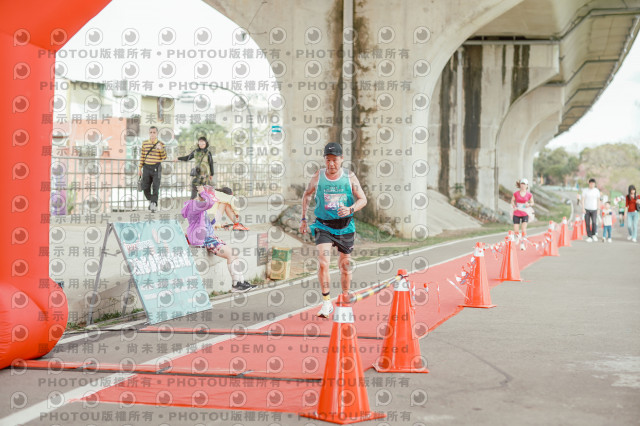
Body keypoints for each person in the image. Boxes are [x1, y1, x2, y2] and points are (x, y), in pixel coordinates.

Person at [299, 142, 367, 318]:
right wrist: (303, 219)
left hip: (345, 226)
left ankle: (344, 297)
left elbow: (363, 199)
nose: (331, 164)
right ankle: (326, 303)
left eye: (334, 160)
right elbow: (306, 195)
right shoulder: (318, 176)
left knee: (345, 266)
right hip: (323, 226)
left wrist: (350, 209)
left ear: (341, 159)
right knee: (323, 262)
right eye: (327, 160)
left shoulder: (350, 177)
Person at [181, 185, 256, 292]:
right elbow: (209, 204)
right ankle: (236, 285)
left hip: (210, 237)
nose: (211, 201)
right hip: (205, 239)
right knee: (230, 254)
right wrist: (203, 192)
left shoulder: (198, 205)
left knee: (234, 254)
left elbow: (207, 222)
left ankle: (241, 282)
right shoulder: (195, 205)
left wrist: (220, 225)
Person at [138, 126, 167, 212]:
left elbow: (164, 157)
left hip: (156, 167)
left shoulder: (161, 144)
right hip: (146, 167)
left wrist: (160, 149)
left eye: (154, 132)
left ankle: (153, 204)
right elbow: (142, 156)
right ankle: (152, 201)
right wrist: (139, 168)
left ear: (157, 133)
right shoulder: (145, 143)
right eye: (151, 132)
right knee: (145, 187)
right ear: (149, 133)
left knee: (155, 187)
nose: (152, 134)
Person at [510, 178, 534, 250]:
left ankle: (522, 243)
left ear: (527, 185)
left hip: (525, 213)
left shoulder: (529, 194)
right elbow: (512, 201)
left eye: (524, 184)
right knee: (516, 230)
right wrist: (514, 206)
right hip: (517, 212)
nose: (523, 185)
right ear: (520, 185)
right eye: (522, 184)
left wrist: (529, 204)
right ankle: (517, 237)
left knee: (523, 229)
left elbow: (532, 203)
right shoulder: (516, 193)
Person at [581, 178, 601, 242]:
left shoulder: (596, 191)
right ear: (589, 183)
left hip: (594, 209)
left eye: (593, 184)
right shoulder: (585, 190)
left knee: (594, 222)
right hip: (587, 209)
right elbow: (583, 200)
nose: (592, 185)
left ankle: (593, 234)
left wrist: (598, 209)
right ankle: (589, 236)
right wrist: (583, 208)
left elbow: (598, 200)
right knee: (587, 223)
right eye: (591, 184)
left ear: (594, 184)